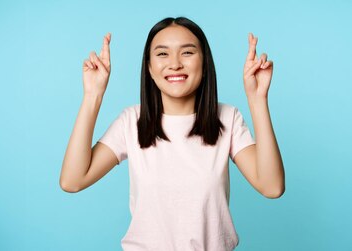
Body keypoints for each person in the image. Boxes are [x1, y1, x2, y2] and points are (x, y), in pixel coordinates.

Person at [59, 17, 285, 251]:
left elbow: (272, 187)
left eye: (187, 52)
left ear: (205, 63)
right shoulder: (131, 122)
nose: (175, 64)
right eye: (162, 54)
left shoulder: (227, 118)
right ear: (149, 67)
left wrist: (258, 100)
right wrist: (93, 95)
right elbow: (73, 180)